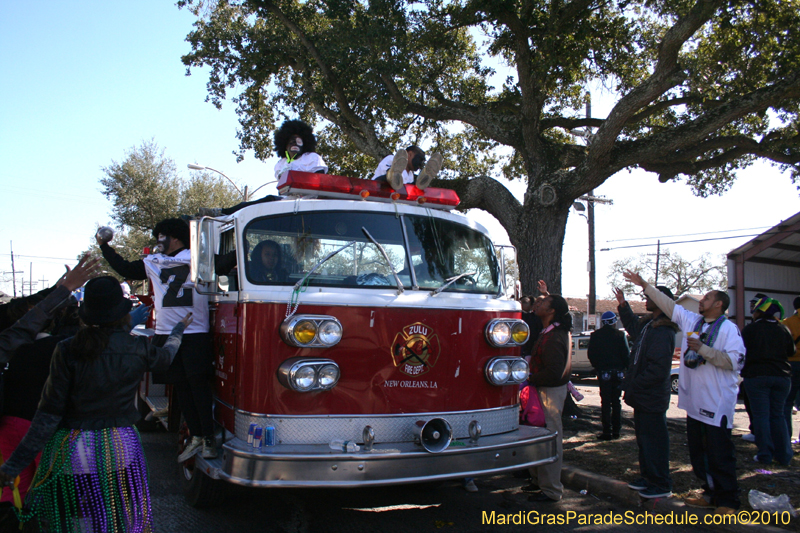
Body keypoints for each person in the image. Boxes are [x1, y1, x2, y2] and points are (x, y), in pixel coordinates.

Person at [0, 277, 192, 532]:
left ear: (86, 314)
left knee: (75, 518)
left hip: (72, 447)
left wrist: (13, 465)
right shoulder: (137, 347)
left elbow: (48, 414)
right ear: (123, 315)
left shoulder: (66, 349)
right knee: (115, 515)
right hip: (120, 445)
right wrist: (178, 330)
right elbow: (166, 357)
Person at [624, 271, 745, 514]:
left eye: (707, 298)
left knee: (720, 452)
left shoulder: (729, 329)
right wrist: (644, 285)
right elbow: (668, 304)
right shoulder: (693, 322)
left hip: (717, 402)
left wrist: (703, 349)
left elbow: (735, 361)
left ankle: (728, 501)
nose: (702, 301)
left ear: (719, 304)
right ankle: (710, 493)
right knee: (699, 453)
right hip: (695, 402)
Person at [97, 218, 217, 461]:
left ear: (174, 237)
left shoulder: (196, 258)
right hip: (167, 331)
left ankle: (210, 439)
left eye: (160, 236)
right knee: (182, 387)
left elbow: (226, 262)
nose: (157, 241)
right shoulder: (158, 260)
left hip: (194, 331)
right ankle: (197, 435)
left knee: (197, 386)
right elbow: (126, 269)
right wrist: (105, 247)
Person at [614, 285, 679, 499]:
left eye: (649, 297)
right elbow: (633, 326)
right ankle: (648, 477)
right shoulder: (649, 325)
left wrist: (635, 384)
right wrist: (623, 305)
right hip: (643, 396)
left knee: (655, 441)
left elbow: (658, 369)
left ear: (662, 301)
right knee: (644, 440)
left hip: (651, 396)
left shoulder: (663, 330)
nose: (645, 300)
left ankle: (661, 483)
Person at [199, 119, 328, 217]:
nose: (294, 144)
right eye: (291, 141)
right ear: (284, 144)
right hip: (287, 202)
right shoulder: (281, 164)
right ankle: (222, 212)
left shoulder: (312, 158)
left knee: (268, 200)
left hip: (308, 202)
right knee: (256, 203)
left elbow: (321, 181)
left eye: (298, 141)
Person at [525, 294, 572, 503]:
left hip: (549, 391)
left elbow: (554, 371)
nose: (538, 304)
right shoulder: (549, 331)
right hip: (542, 389)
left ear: (552, 311)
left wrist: (531, 377)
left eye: (543, 303)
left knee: (551, 439)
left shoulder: (554, 336)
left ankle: (552, 489)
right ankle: (538, 480)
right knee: (537, 437)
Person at [742, 296, 794, 465]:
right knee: (777, 415)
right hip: (782, 376)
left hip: (756, 376)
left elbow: (741, 351)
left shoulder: (751, 330)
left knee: (761, 416)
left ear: (759, 312)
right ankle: (784, 455)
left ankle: (765, 454)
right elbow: (791, 351)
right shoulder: (783, 328)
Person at [587, 310, 630, 440]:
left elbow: (591, 354)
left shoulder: (595, 335)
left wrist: (597, 367)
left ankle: (606, 431)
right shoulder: (620, 335)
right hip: (617, 373)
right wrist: (625, 368)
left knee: (605, 402)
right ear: (614, 322)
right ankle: (617, 431)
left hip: (603, 372)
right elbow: (626, 354)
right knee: (616, 401)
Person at [372, 146, 443, 191]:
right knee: (388, 177)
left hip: (395, 197)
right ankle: (393, 176)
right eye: (420, 159)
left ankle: (421, 181)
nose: (420, 164)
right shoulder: (392, 158)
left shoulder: (410, 175)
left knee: (412, 187)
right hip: (379, 188)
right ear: (410, 154)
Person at [781, 296, 800, 443]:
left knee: (787, 403)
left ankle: (786, 439)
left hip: (792, 364)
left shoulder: (787, 323)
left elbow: (784, 346)